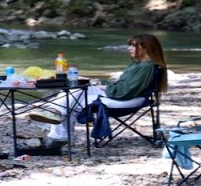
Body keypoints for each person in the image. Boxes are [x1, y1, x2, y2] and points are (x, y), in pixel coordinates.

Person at [37, 33, 169, 149]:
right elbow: (124, 86)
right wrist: (97, 82)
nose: (129, 49)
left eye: (133, 46)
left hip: (126, 100)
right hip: (124, 96)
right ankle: (56, 120)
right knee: (74, 92)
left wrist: (102, 86)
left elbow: (124, 91)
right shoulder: (142, 65)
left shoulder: (146, 67)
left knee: (71, 99)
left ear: (146, 47)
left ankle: (57, 128)